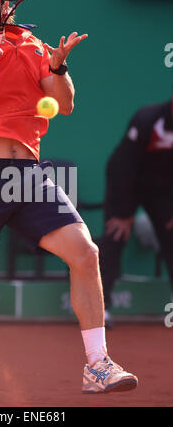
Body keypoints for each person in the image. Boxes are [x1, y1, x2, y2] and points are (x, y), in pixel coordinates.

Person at [0, 0, 138, 393]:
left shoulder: (32, 48)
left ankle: (98, 364)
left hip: (27, 176)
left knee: (85, 252)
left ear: (5, 7)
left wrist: (59, 66)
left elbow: (64, 104)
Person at [97, 94, 173, 325]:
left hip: (165, 191)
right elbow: (123, 165)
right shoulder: (148, 118)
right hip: (129, 184)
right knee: (115, 235)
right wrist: (122, 212)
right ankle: (101, 310)